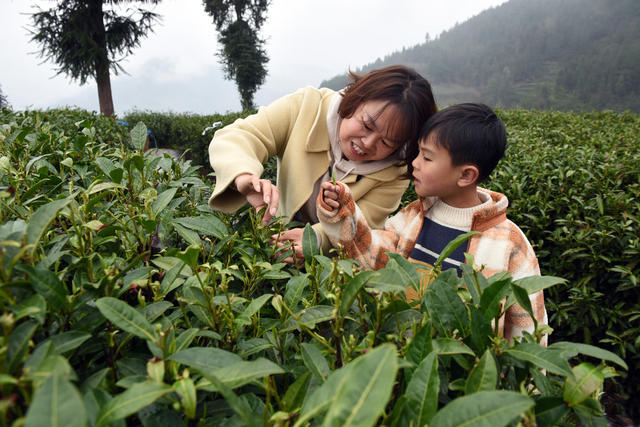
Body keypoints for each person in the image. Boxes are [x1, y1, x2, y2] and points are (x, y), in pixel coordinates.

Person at [317, 103, 547, 343]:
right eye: (418, 153)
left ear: (466, 175)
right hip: (399, 357)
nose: (415, 163)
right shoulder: (414, 216)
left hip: (464, 369)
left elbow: (529, 322)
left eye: (427, 157)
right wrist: (343, 211)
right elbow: (374, 255)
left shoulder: (508, 242)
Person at [207, 65, 438, 263]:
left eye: (387, 142)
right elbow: (239, 137)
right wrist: (244, 178)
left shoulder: (396, 171)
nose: (367, 143)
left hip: (334, 270)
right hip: (274, 239)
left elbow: (366, 224)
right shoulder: (307, 107)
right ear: (354, 99)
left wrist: (316, 239)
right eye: (366, 125)